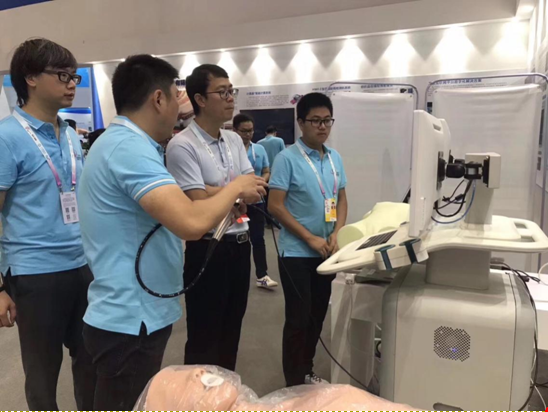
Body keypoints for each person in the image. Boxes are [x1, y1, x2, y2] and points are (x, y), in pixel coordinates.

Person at [78, 55, 266, 410]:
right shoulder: (129, 149)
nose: (181, 108)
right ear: (158, 99)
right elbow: (191, 222)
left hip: (138, 312)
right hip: (131, 317)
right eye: (176, 96)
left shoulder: (134, 145)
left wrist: (223, 193)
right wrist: (235, 188)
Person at [0, 38, 96, 410]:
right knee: (42, 376)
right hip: (34, 273)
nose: (72, 84)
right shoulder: (7, 137)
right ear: (31, 78)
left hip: (81, 265)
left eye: (74, 76)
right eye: (62, 75)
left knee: (90, 361)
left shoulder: (68, 134)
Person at [167, 64, 260, 371]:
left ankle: (225, 393)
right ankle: (197, 395)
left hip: (240, 243)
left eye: (232, 91)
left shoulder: (233, 140)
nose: (231, 98)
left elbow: (254, 189)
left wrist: (218, 193)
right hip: (207, 247)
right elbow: (195, 201)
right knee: (204, 337)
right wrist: (234, 191)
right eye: (222, 92)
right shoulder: (182, 145)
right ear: (200, 99)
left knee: (232, 331)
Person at [268, 92, 348, 387]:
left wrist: (338, 231)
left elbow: (341, 198)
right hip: (296, 253)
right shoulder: (286, 159)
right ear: (301, 123)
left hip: (326, 251)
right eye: (316, 121)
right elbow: (275, 206)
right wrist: (309, 237)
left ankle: (306, 369)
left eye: (327, 120)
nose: (323, 126)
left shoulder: (335, 157)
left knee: (317, 316)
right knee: (298, 319)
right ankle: (293, 384)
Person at [233, 113, 278, 289]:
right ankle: (238, 275)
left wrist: (260, 183)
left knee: (258, 238)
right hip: (237, 206)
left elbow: (266, 170)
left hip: (257, 203)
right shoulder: (230, 151)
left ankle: (262, 275)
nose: (248, 134)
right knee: (240, 238)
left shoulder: (259, 149)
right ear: (235, 130)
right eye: (244, 131)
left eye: (251, 131)